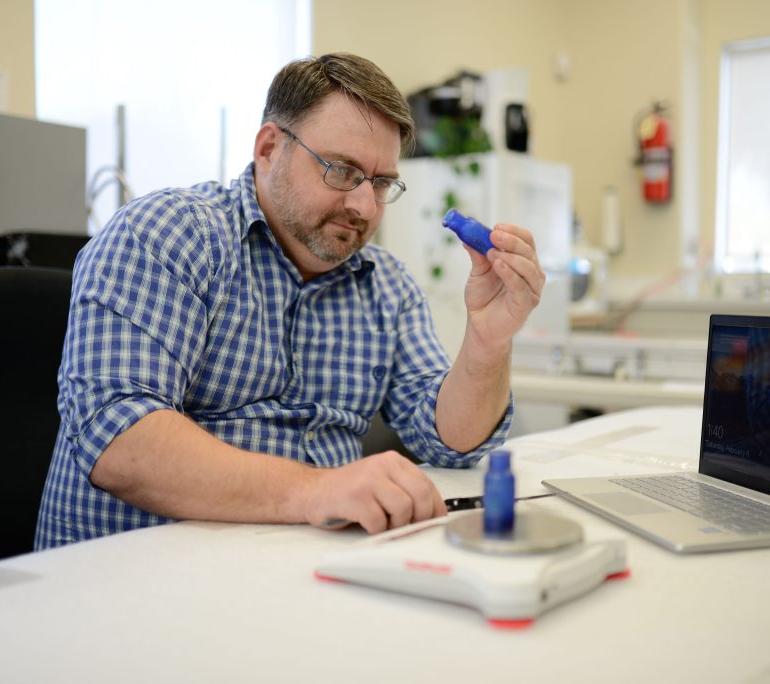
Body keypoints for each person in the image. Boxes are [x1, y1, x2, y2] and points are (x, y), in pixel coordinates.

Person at [35, 53, 545, 549]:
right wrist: (315, 490)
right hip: (135, 580)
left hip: (309, 568)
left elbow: (449, 442)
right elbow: (118, 440)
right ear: (268, 149)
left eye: (382, 183)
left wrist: (487, 339)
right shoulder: (169, 234)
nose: (364, 206)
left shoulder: (386, 285)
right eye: (341, 170)